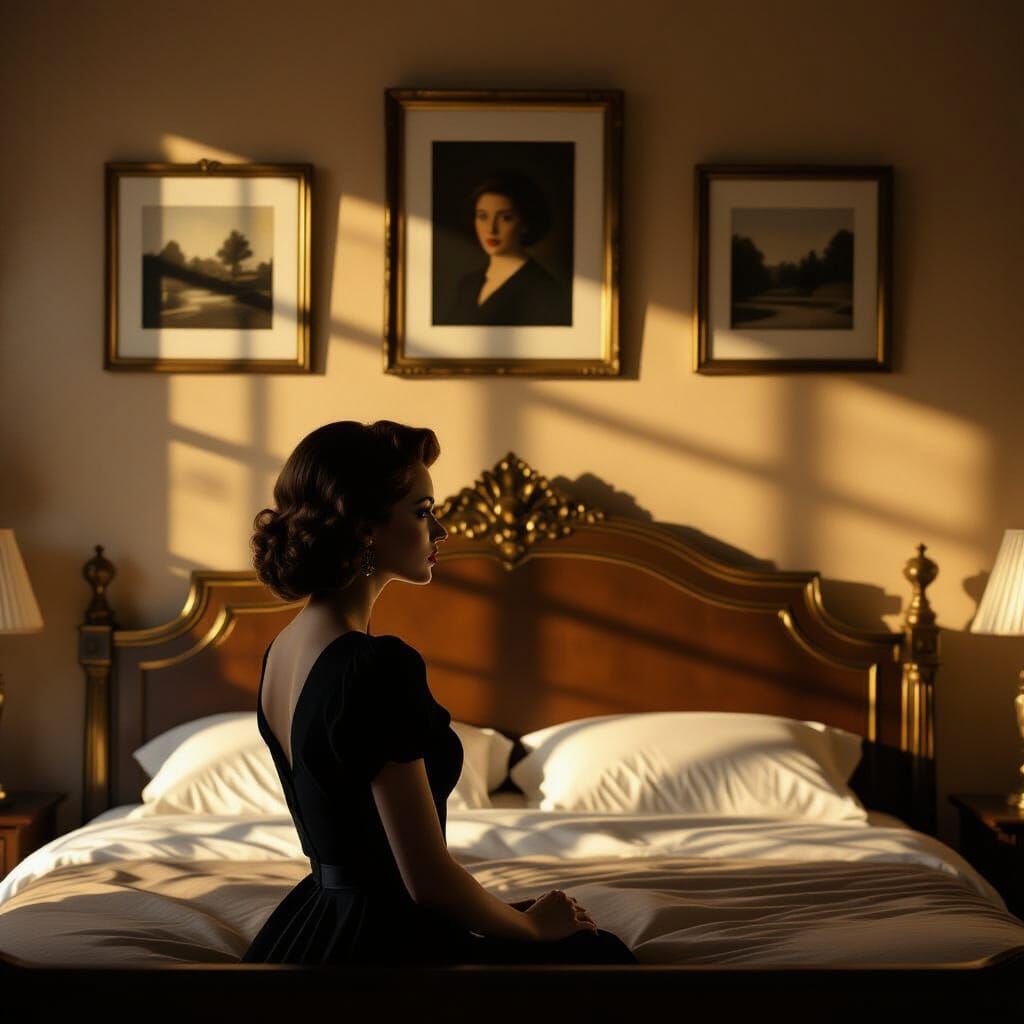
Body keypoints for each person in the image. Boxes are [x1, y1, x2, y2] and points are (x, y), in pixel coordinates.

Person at [241, 420, 636, 966]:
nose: (442, 530)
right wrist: (532, 932)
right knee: (602, 958)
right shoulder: (374, 666)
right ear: (364, 529)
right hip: (385, 947)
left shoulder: (282, 650)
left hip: (315, 922)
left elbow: (371, 851)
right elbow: (426, 880)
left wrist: (503, 914)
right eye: (423, 511)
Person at [442, 171, 572, 327]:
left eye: (506, 218)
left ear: (525, 223)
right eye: (483, 216)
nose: (491, 229)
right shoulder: (468, 284)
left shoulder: (544, 290)